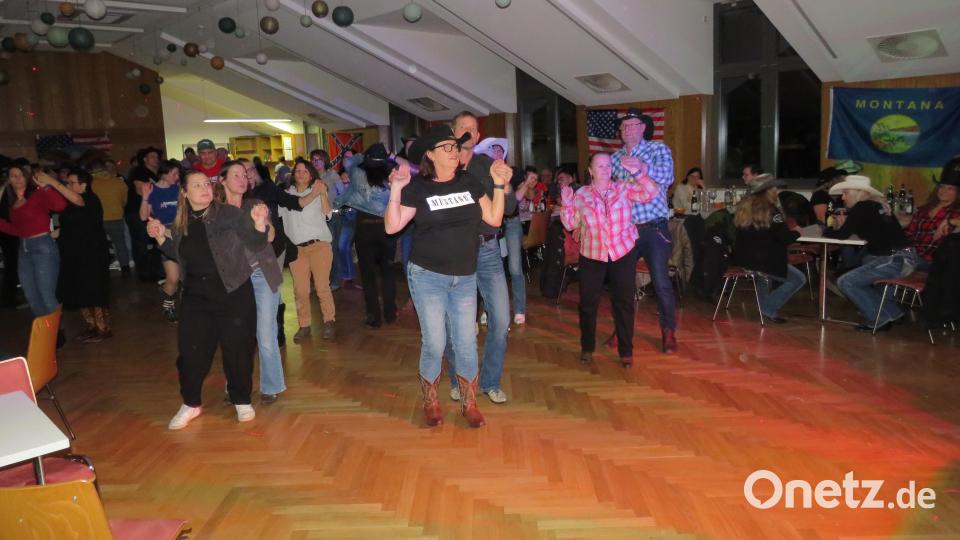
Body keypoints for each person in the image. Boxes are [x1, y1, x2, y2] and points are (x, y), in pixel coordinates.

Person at [385, 124, 510, 428]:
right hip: (427, 276)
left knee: (466, 340)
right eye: (448, 148)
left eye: (456, 147)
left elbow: (493, 219)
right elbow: (392, 226)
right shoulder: (418, 187)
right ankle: (431, 400)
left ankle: (469, 403)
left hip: (465, 276)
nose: (455, 152)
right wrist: (396, 190)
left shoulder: (468, 182)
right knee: (436, 341)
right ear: (431, 154)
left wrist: (497, 185)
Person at [147, 170, 270, 430]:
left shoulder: (229, 214)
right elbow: (180, 254)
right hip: (196, 295)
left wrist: (260, 224)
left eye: (207, 184)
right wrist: (160, 236)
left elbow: (256, 242)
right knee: (191, 351)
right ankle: (191, 403)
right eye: (196, 185)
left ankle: (242, 399)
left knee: (238, 349)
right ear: (184, 192)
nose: (204, 188)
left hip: (233, 291)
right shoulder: (180, 222)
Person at [446, 112, 517, 405]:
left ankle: (489, 381)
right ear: (453, 133)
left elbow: (510, 207)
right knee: (457, 324)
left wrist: (507, 183)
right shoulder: (441, 168)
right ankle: (457, 380)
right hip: (455, 252)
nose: (469, 133)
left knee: (500, 320)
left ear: (477, 138)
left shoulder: (488, 165)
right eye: (463, 128)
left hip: (487, 250)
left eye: (473, 130)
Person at [561, 152, 657, 367]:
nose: (605, 169)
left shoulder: (623, 187)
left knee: (623, 302)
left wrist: (638, 173)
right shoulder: (581, 194)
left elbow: (651, 192)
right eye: (600, 165)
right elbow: (569, 224)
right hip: (592, 254)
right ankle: (587, 347)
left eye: (608, 165)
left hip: (622, 252)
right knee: (587, 303)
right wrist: (566, 203)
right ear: (590, 171)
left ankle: (626, 351)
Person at [610, 108, 678, 353]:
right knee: (622, 284)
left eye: (632, 125)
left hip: (653, 229)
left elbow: (668, 177)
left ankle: (668, 332)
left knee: (661, 283)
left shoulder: (657, 149)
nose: (627, 129)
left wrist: (642, 168)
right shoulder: (615, 158)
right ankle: (621, 331)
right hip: (626, 230)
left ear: (643, 128)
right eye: (624, 126)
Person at [824, 175, 917, 332]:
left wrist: (829, 229)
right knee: (863, 265)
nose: (843, 197)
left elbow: (841, 235)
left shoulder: (861, 207)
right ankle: (894, 312)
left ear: (856, 193)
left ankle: (880, 318)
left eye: (846, 193)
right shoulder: (878, 206)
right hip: (903, 258)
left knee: (845, 282)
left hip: (893, 259)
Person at [0, 166, 78, 320]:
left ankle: (57, 334)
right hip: (24, 248)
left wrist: (46, 187)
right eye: (13, 176)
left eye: (21, 175)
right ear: (8, 179)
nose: (17, 178)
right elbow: (18, 230)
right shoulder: (13, 203)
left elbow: (60, 206)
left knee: (46, 294)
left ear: (27, 177)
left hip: (42, 246)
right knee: (31, 295)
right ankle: (45, 334)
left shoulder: (37, 194)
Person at [335, 144, 397, 328]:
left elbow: (348, 161)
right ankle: (390, 313)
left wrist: (363, 155)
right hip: (387, 227)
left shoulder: (357, 172)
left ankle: (374, 316)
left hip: (364, 227)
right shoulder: (392, 173)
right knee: (388, 272)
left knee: (368, 274)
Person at [731, 178, 806, 323]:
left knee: (762, 277)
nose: (776, 192)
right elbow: (784, 237)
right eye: (774, 189)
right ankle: (767, 308)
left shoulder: (744, 208)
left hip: (743, 258)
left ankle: (769, 312)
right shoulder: (772, 210)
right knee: (798, 279)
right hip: (765, 260)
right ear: (767, 192)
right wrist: (798, 232)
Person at [280, 160, 337, 341]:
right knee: (301, 290)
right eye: (297, 171)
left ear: (311, 174)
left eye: (305, 171)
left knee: (322, 287)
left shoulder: (319, 189)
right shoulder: (285, 195)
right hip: (297, 249)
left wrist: (321, 194)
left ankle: (329, 321)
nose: (301, 174)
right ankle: (304, 325)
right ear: (292, 174)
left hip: (319, 245)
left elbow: (328, 213)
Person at [58, 168, 112, 342]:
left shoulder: (90, 199)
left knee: (94, 290)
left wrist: (53, 182)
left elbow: (81, 207)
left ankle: (103, 329)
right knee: (79, 291)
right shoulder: (69, 204)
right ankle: (91, 326)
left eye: (71, 183)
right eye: (67, 183)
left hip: (92, 253)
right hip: (74, 254)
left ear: (84, 185)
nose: (68, 186)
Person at [476, 137, 526, 325]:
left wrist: (512, 184)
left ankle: (519, 309)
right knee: (492, 271)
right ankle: (489, 310)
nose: (497, 152)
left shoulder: (511, 173)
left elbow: (512, 205)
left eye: (499, 150)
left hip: (510, 224)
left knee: (513, 267)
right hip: (492, 229)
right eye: (493, 149)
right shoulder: (480, 175)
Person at [139, 159, 182, 321]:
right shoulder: (152, 190)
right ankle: (168, 301)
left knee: (186, 276)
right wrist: (145, 197)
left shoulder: (178, 189)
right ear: (165, 172)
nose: (177, 177)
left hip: (182, 233)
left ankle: (171, 303)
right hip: (165, 236)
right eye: (174, 173)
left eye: (178, 174)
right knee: (173, 278)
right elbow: (143, 216)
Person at [903, 163, 960, 271]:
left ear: (958, 193)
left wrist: (950, 221)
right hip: (910, 253)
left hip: (931, 261)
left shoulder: (956, 212)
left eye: (950, 188)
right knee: (872, 254)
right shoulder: (924, 210)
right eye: (942, 186)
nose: (944, 191)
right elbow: (909, 234)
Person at [127, 146, 163, 281]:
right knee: (141, 242)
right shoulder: (140, 171)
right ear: (144, 159)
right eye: (152, 156)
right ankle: (144, 273)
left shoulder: (158, 173)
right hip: (136, 212)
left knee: (154, 241)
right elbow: (140, 190)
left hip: (153, 212)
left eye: (156, 156)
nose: (156, 159)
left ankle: (155, 270)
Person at [90, 159, 131, 276]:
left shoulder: (91, 183)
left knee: (100, 244)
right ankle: (125, 267)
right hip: (117, 217)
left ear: (92, 170)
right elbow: (124, 200)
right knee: (120, 243)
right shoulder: (119, 181)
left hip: (98, 219)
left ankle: (102, 267)